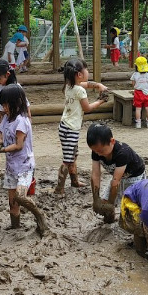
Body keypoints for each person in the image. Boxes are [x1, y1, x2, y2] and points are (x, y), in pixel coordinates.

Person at [0, 84, 48, 235]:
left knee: (20, 197)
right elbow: (2, 138)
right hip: (11, 168)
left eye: (5, 104)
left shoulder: (22, 121)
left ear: (16, 103)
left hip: (24, 166)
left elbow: (18, 145)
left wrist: (0, 150)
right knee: (12, 201)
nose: (3, 107)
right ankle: (15, 226)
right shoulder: (7, 119)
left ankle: (39, 216)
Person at [54, 59, 109, 194]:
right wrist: (101, 101)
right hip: (71, 129)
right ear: (79, 74)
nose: (88, 72)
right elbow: (88, 108)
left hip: (65, 126)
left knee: (72, 156)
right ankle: (59, 189)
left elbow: (85, 84)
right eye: (86, 69)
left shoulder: (69, 85)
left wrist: (98, 85)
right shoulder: (79, 90)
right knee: (68, 160)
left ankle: (74, 181)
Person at [87, 123, 146, 223]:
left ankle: (135, 227)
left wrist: (111, 202)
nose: (98, 154)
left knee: (130, 206)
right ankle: (109, 220)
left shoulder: (122, 153)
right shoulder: (97, 151)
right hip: (119, 176)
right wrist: (96, 199)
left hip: (134, 177)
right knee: (104, 202)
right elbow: (96, 174)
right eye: (95, 151)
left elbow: (116, 181)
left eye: (101, 151)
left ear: (112, 141)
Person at [0, 59, 31, 177]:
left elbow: (26, 107)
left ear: (7, 74)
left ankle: (17, 171)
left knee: (14, 147)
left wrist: (28, 122)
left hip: (13, 120)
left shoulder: (16, 88)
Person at [130, 56, 148, 128]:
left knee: (138, 108)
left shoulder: (135, 74)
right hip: (147, 92)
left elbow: (133, 83)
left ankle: (138, 123)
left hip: (138, 93)